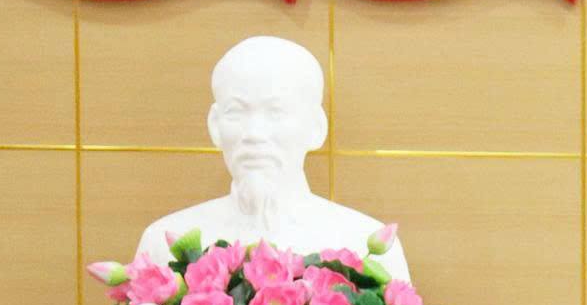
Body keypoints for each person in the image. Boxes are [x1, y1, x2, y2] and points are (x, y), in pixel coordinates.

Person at [133, 35, 412, 278]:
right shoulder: (164, 244)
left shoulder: (364, 245)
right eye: (236, 112)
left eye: (275, 112)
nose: (253, 133)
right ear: (215, 125)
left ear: (316, 127)